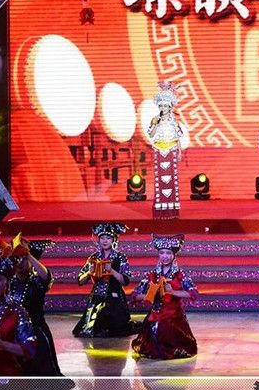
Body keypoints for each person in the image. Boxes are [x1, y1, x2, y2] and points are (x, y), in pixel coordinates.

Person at [131, 234, 198, 359]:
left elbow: (193, 294)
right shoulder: (152, 275)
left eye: (168, 253)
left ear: (174, 255)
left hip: (173, 316)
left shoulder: (180, 275)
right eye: (162, 253)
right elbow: (135, 295)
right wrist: (149, 295)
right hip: (155, 314)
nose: (165, 256)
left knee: (169, 333)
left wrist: (172, 292)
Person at [5, 237, 64, 376]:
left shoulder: (36, 281)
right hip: (14, 332)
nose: (20, 262)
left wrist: (28, 255)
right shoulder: (9, 282)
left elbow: (46, 277)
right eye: (17, 258)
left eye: (24, 259)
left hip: (36, 332)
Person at [72, 222, 138, 337]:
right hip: (97, 295)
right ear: (98, 240)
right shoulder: (93, 257)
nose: (105, 241)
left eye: (108, 238)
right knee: (89, 328)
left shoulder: (120, 257)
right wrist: (89, 272)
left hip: (114, 295)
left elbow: (125, 281)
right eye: (102, 238)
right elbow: (80, 281)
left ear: (114, 240)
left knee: (115, 328)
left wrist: (111, 271)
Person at [148, 81, 189, 220]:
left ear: (170, 107)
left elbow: (178, 137)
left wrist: (180, 152)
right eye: (161, 106)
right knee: (160, 182)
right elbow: (151, 134)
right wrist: (156, 123)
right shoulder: (155, 119)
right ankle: (160, 212)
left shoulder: (173, 122)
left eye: (166, 106)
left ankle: (172, 212)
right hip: (159, 151)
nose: (163, 108)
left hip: (171, 151)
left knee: (171, 182)